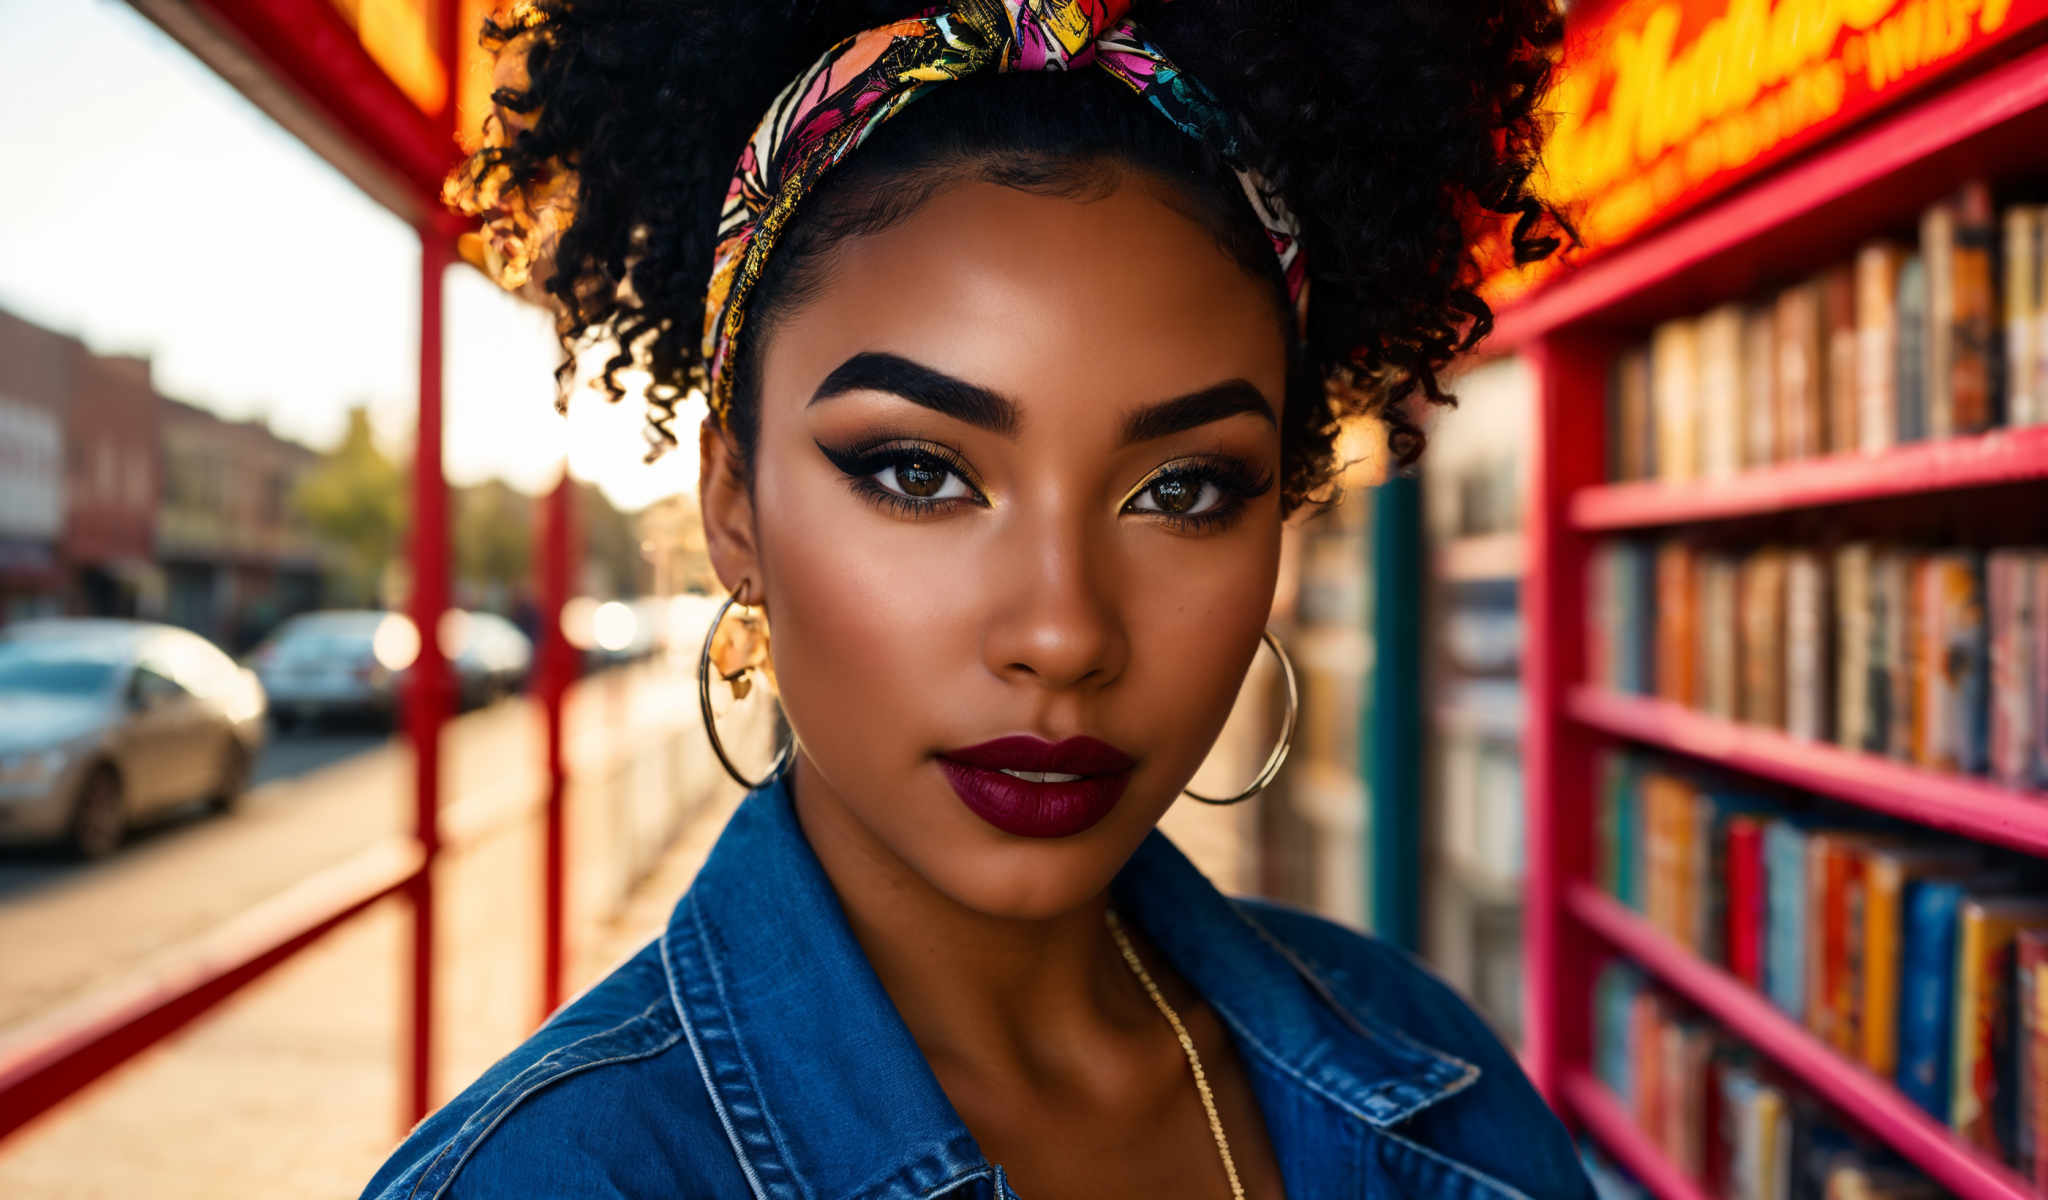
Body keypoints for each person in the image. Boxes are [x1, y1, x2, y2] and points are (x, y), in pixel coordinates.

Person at [362, 1, 1589, 1196]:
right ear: (733, 507)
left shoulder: (1441, 1078)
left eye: (1184, 490)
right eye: (918, 473)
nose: (1062, 633)